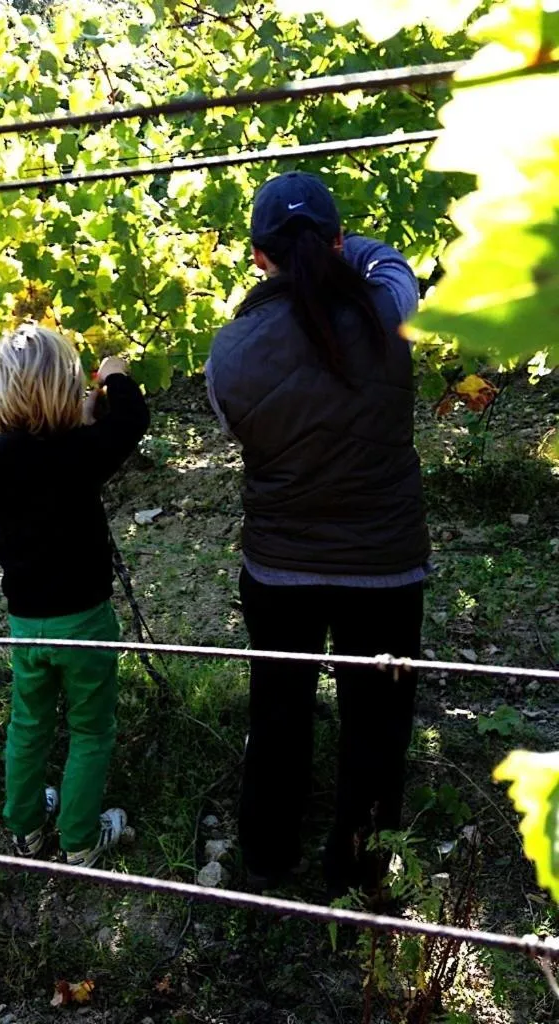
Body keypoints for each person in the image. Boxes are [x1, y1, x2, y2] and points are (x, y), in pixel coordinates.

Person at [206, 171, 430, 898]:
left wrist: (311, 253)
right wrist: (340, 247)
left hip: (280, 569)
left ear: (256, 257)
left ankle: (268, 857)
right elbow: (392, 262)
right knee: (378, 723)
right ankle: (360, 864)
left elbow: (234, 425)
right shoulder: (387, 310)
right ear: (337, 241)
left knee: (278, 714)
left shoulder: (230, 353)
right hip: (386, 568)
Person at [0, 324, 149, 867]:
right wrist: (114, 379)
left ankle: (25, 828)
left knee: (29, 722)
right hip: (85, 619)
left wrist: (12, 426)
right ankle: (80, 839)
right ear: (67, 388)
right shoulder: (82, 454)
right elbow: (131, 421)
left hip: (26, 621)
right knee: (91, 728)